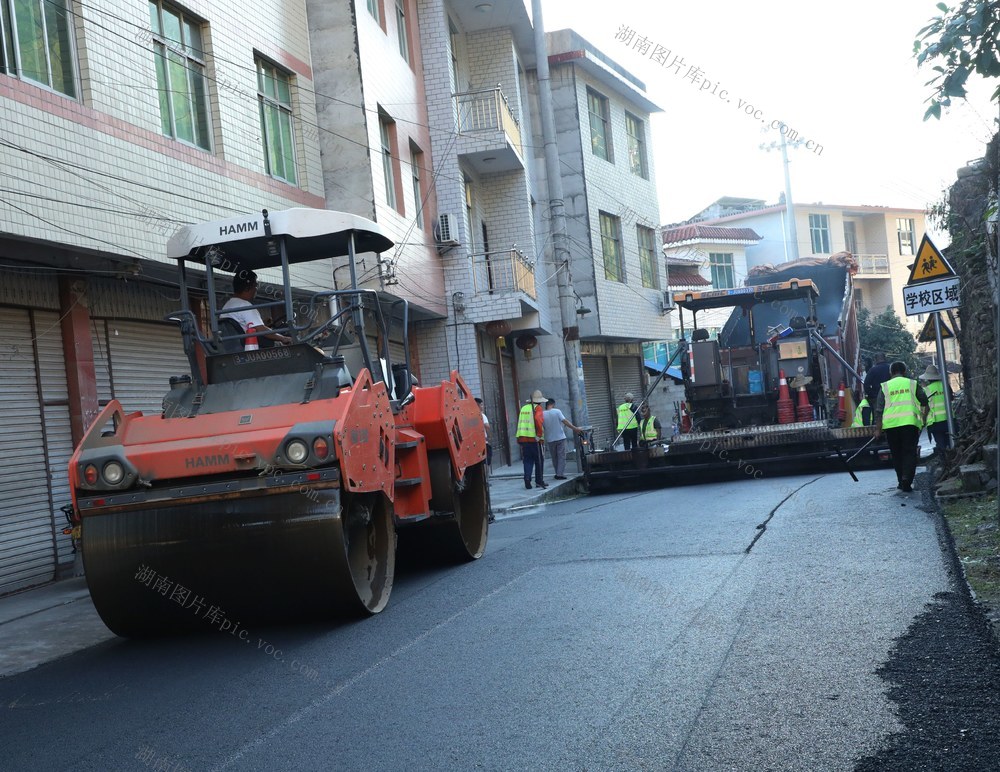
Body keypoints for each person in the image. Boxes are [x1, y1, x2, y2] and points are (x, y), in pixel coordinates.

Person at [874, 361, 929, 493]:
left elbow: (879, 410)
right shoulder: (912, 384)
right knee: (909, 452)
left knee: (896, 453)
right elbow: (924, 401)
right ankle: (907, 479)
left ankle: (900, 480)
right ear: (904, 372)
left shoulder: (885, 386)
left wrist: (878, 429)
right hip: (909, 424)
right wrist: (923, 420)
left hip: (891, 426)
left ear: (891, 373)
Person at [221, 271, 292, 348]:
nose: (256, 289)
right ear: (247, 288)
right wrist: (283, 338)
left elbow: (245, 327)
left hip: (234, 346)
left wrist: (263, 324)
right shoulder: (245, 306)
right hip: (250, 347)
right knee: (286, 344)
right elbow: (262, 330)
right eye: (256, 286)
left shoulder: (226, 306)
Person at [542, 398, 584, 480]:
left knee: (554, 457)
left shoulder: (542, 414)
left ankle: (557, 473)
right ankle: (559, 474)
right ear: (553, 404)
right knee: (561, 457)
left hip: (550, 439)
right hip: (560, 438)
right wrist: (575, 428)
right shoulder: (557, 411)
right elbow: (565, 421)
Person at [516, 390, 547, 490]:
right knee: (539, 460)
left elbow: (521, 423)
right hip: (534, 439)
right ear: (540, 401)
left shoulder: (524, 408)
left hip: (523, 439)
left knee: (528, 460)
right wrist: (539, 434)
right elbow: (538, 420)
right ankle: (539, 481)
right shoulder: (537, 408)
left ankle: (527, 479)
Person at [919, 364, 949, 453]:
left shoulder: (926, 390)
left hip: (935, 422)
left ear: (928, 378)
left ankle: (945, 462)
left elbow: (926, 407)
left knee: (940, 444)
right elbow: (951, 398)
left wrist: (923, 420)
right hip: (949, 420)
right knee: (950, 442)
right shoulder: (945, 385)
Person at [475, 397, 493, 470]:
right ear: (477, 405)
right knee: (486, 459)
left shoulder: (469, 415)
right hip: (483, 441)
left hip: (475, 443)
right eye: (481, 405)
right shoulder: (481, 415)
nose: (483, 406)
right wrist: (489, 437)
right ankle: (486, 475)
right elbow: (487, 426)